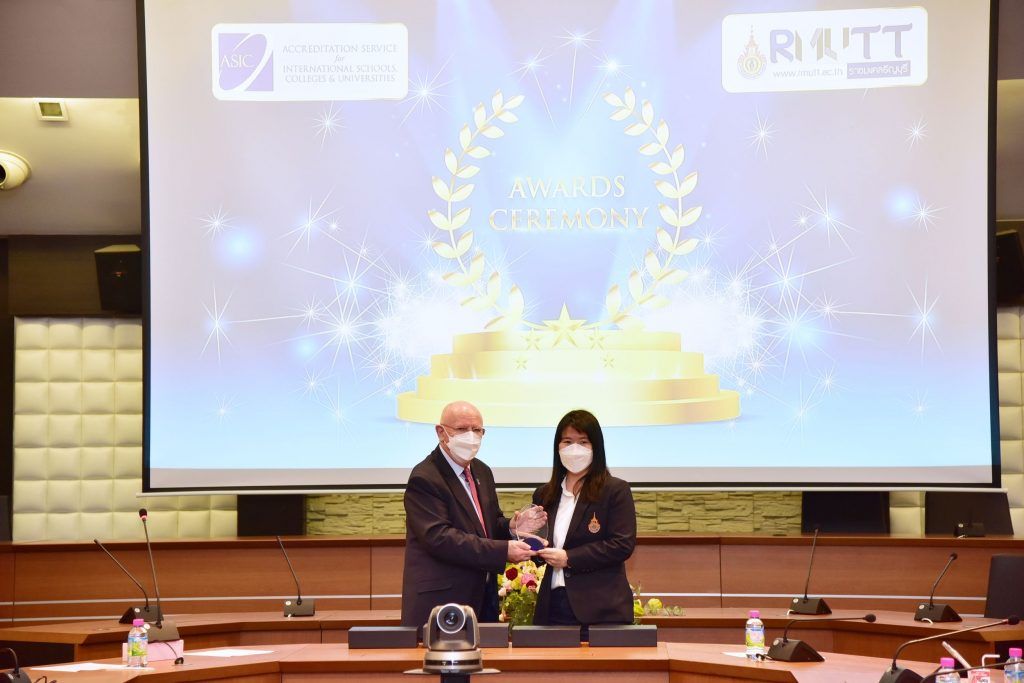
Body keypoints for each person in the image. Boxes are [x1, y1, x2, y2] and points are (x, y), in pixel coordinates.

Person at [401, 400, 539, 630]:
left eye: (477, 430)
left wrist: (511, 527)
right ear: (441, 432)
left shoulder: (482, 471)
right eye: (462, 429)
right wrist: (503, 550)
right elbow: (440, 538)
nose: (471, 436)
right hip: (442, 603)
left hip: (482, 599)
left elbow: (486, 526)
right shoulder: (425, 477)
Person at [532, 409, 637, 629]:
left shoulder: (615, 490)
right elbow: (540, 548)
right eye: (567, 442)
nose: (574, 449)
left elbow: (621, 545)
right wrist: (526, 539)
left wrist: (569, 558)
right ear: (557, 447)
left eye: (583, 442)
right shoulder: (544, 494)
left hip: (601, 608)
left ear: (595, 447)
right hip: (553, 606)